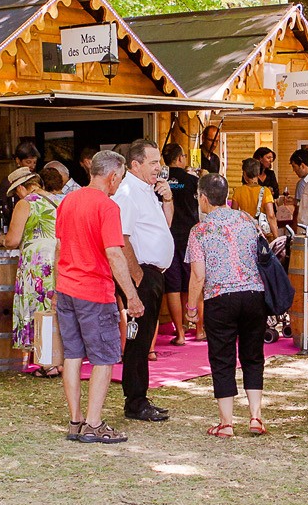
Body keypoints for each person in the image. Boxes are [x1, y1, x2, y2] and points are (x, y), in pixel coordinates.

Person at [55, 149, 145, 444]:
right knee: (104, 357)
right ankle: (93, 424)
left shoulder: (68, 200)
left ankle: (75, 421)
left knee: (72, 355)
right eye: (120, 178)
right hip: (94, 291)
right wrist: (132, 295)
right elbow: (114, 254)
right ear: (113, 175)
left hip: (67, 288)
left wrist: (57, 286)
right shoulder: (107, 207)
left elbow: (58, 247)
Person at [184, 173, 270, 438]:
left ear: (203, 198)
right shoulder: (246, 220)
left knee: (222, 358)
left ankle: (227, 422)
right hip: (254, 294)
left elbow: (198, 275)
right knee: (253, 356)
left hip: (220, 298)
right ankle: (255, 417)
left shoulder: (200, 230)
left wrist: (191, 308)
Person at [115, 141, 175, 421]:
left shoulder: (146, 190)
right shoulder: (128, 192)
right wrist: (136, 275)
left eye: (159, 162)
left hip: (153, 272)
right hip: (142, 273)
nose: (158, 168)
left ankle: (141, 396)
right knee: (138, 339)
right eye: (153, 163)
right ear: (135, 165)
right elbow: (122, 237)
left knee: (146, 335)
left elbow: (164, 226)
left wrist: (168, 200)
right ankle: (135, 400)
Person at [4, 164, 62, 376]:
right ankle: (59, 359)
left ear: (21, 187)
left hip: (36, 262)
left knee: (38, 308)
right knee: (53, 306)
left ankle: (47, 363)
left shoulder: (26, 203)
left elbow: (13, 239)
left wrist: (2, 240)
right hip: (59, 258)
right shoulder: (60, 200)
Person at [160, 142, 200, 346]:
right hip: (190, 235)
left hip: (168, 236)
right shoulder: (191, 181)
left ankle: (181, 333)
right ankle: (199, 329)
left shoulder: (160, 183)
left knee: (172, 287)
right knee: (193, 281)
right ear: (180, 158)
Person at [230, 156, 277, 234]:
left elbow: (234, 214)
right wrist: (276, 236)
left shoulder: (238, 191)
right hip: (260, 232)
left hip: (245, 231)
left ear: (244, 173)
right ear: (258, 173)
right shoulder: (265, 191)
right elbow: (271, 215)